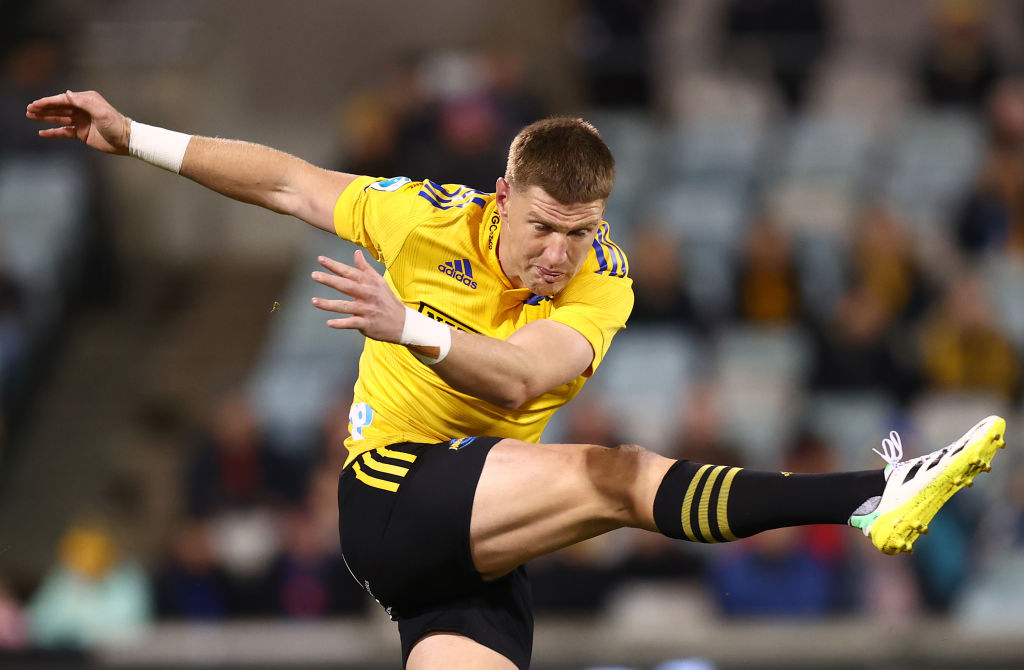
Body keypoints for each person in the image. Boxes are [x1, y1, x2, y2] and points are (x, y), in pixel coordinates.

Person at [27, 89, 1008, 670]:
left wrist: (409, 327)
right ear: (502, 198)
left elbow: (517, 380)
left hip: (474, 557)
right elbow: (287, 180)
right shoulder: (423, 216)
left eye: (579, 233)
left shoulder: (605, 282)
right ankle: (875, 494)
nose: (557, 253)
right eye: (541, 227)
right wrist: (133, 137)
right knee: (614, 474)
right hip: (392, 494)